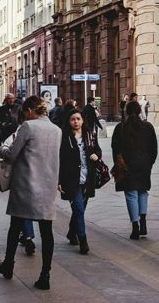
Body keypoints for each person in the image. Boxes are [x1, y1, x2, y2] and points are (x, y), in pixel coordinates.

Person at [0, 96, 61, 290]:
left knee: (15, 227)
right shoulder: (57, 130)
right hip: (47, 185)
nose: (24, 116)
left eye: (24, 113)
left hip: (26, 184)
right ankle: (45, 274)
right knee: (46, 232)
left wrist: (0, 150)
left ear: (31, 110)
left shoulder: (28, 127)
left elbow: (13, 154)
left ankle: (8, 265)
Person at [111, 100, 157, 239]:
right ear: (139, 111)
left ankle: (135, 226)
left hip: (127, 165)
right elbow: (153, 148)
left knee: (131, 194)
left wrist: (117, 164)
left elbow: (115, 149)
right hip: (144, 165)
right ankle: (143, 222)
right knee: (143, 192)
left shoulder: (121, 128)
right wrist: (150, 163)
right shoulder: (148, 127)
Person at [58, 108, 102, 254]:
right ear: (68, 121)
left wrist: (96, 155)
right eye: (72, 119)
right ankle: (83, 240)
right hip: (72, 179)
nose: (75, 122)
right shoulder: (64, 137)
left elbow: (98, 150)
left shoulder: (90, 135)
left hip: (88, 178)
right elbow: (60, 160)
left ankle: (72, 233)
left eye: (78, 119)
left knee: (79, 209)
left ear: (83, 120)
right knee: (79, 209)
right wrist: (59, 180)